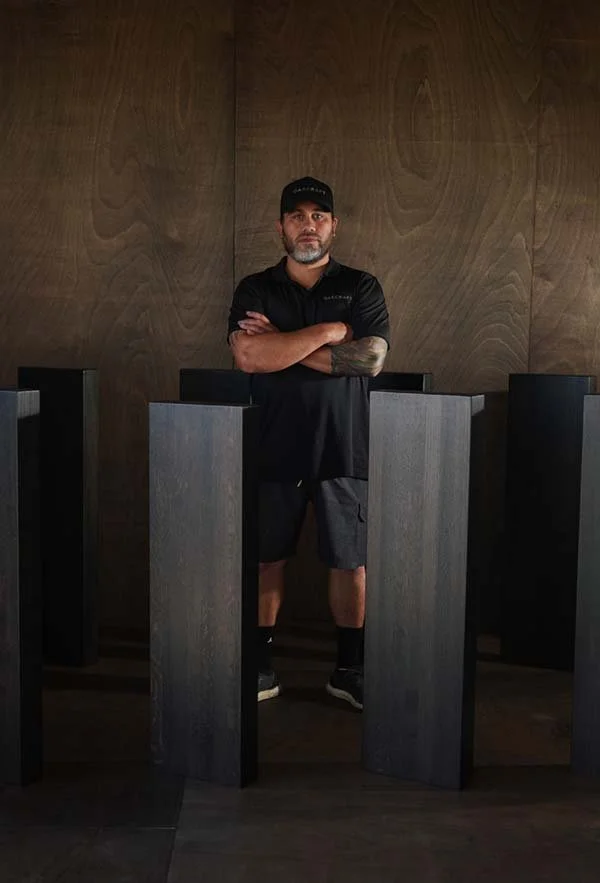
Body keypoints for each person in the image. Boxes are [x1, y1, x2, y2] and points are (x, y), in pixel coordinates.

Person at [227, 176, 390, 710]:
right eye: (297, 215)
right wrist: (326, 333)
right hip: (272, 444)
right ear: (281, 226)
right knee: (265, 559)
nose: (308, 224)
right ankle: (259, 664)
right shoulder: (255, 288)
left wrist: (280, 342)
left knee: (351, 562)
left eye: (318, 215)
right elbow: (249, 358)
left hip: (345, 446)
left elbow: (370, 360)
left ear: (334, 225)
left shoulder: (362, 286)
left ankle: (350, 668)